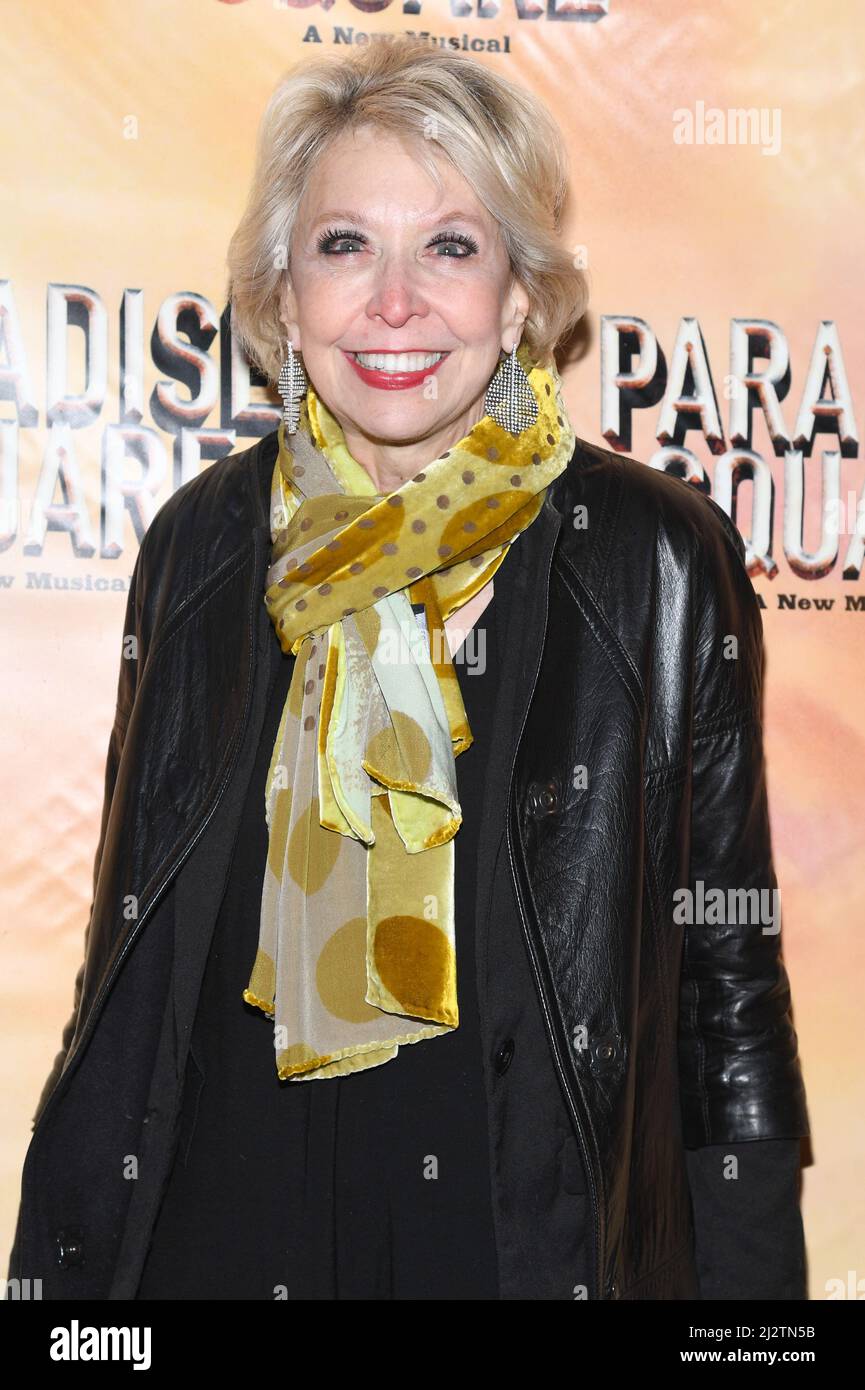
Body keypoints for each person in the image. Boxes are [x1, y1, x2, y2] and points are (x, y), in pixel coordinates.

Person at [8, 37, 809, 1301]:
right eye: (344, 246)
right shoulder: (203, 548)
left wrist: (753, 1313)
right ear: (284, 291)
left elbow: (726, 977)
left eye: (449, 246)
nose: (393, 304)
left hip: (513, 1257)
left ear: (519, 297)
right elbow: (129, 952)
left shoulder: (651, 558)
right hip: (208, 1251)